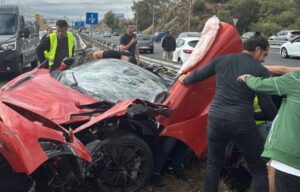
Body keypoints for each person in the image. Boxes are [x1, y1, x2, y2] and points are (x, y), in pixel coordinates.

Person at [179, 35, 278, 192]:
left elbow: (196, 76)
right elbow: (266, 108)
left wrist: (184, 80)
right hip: (241, 122)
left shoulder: (222, 60)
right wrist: (278, 118)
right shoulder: (260, 70)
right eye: (265, 54)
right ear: (257, 49)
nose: (264, 59)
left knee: (213, 164)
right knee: (259, 170)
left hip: (216, 118)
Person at [238, 68, 300, 192]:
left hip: (287, 160)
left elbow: (260, 85)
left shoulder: (296, 80)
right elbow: (284, 69)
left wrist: (246, 77)